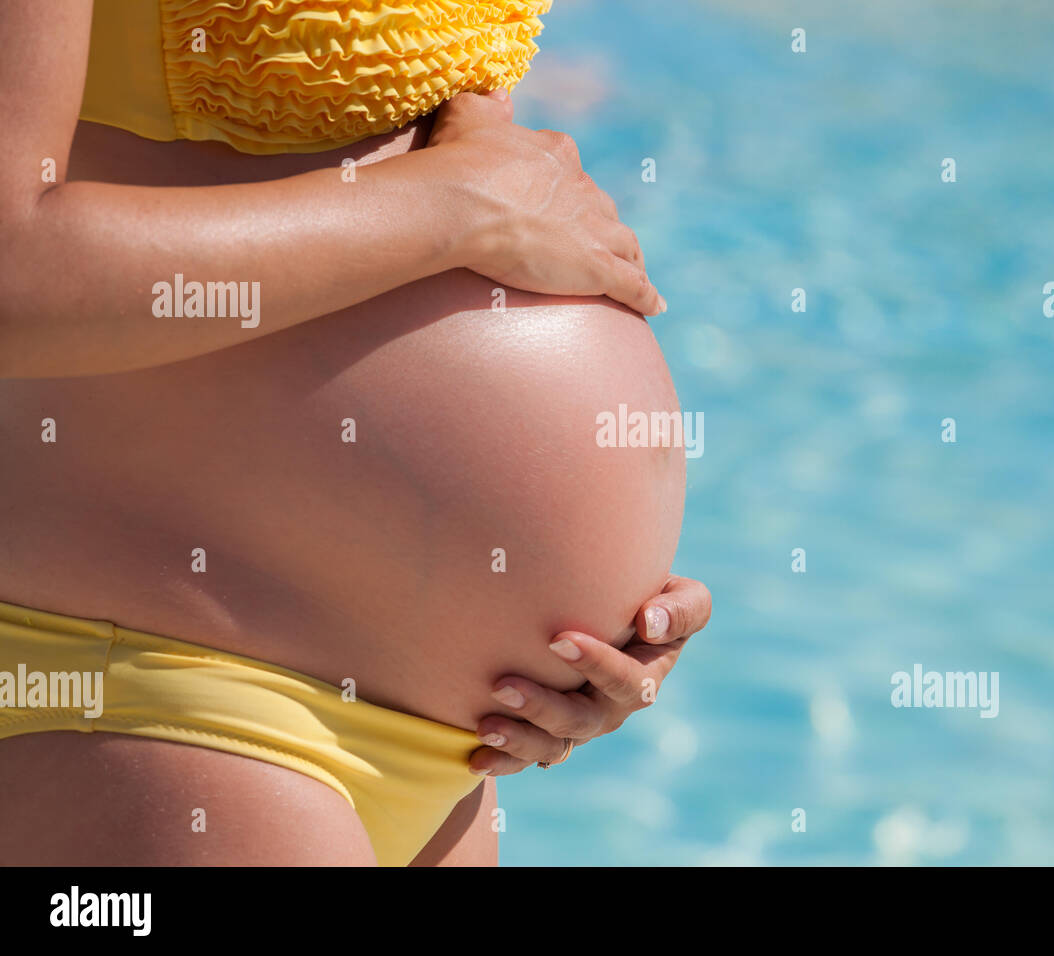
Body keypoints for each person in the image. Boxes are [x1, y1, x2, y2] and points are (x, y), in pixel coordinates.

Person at [0, 0, 711, 866]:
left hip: (449, 746)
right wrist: (456, 207)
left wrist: (603, 614)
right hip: (168, 686)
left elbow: (455, 151)